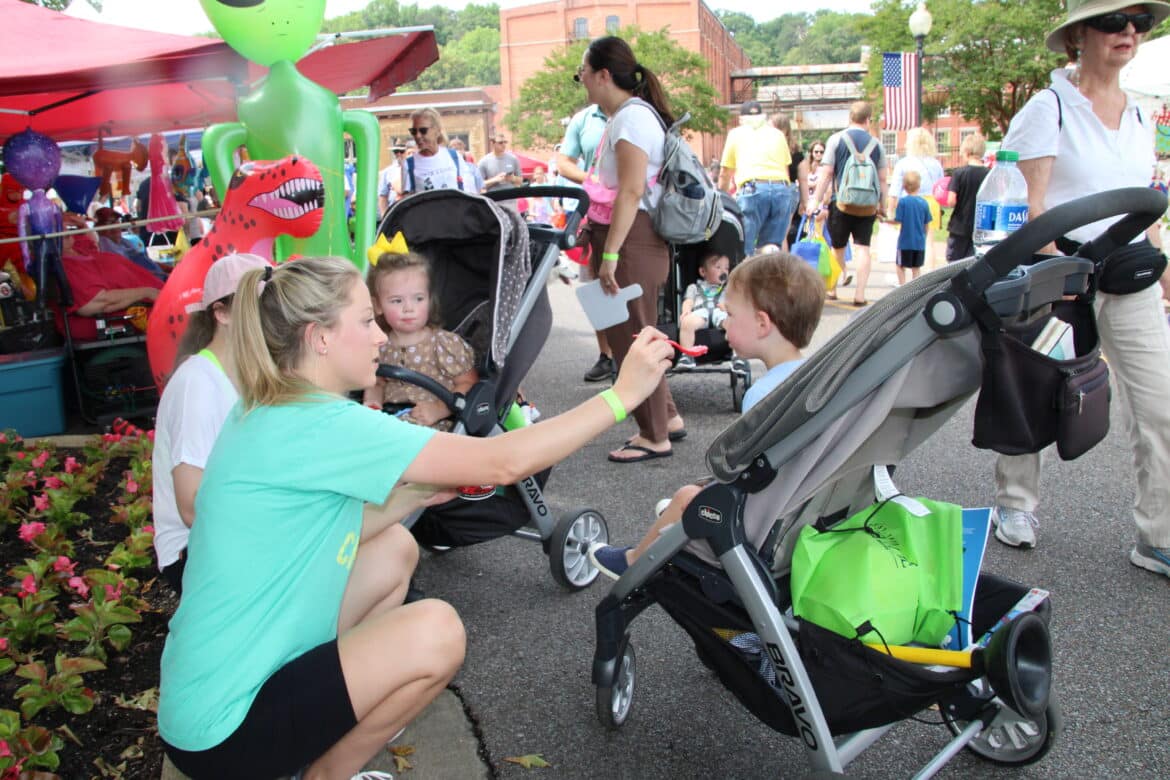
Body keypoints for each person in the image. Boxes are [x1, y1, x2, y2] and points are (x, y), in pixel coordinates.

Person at [157, 254, 674, 779]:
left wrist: (416, 496)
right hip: (227, 733)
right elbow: (504, 461)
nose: (380, 336)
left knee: (395, 549)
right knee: (437, 631)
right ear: (320, 338)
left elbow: (319, 532)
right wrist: (621, 396)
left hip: (200, 701)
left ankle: (321, 733)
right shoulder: (324, 423)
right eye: (366, 320)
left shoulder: (268, 407)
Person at [987, 1, 1170, 580]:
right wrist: (1057, 274)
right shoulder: (1050, 108)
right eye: (1114, 21)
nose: (1129, 31)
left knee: (1161, 403)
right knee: (1035, 385)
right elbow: (1028, 203)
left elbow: (1144, 206)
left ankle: (1159, 535)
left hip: (1129, 274)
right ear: (1079, 36)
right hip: (1062, 271)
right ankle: (1015, 504)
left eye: (1139, 22)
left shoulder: (1140, 113)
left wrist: (1164, 273)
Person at [587, 251, 825, 577]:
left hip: (756, 522)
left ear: (761, 324)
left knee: (688, 496)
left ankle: (632, 563)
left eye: (730, 314)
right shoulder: (815, 377)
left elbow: (739, 471)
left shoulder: (764, 396)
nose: (723, 322)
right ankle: (676, 515)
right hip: (799, 508)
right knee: (688, 498)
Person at [575, 35, 687, 462]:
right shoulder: (632, 116)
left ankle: (653, 434)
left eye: (583, 73)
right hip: (633, 239)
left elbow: (631, 190)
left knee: (634, 340)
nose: (582, 81)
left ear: (603, 75)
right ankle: (666, 418)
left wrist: (609, 255)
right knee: (637, 333)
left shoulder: (630, 119)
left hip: (629, 240)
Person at [151, 253, 272, 594]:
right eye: (257, 305)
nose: (271, 315)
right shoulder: (197, 383)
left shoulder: (247, 374)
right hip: (196, 553)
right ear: (221, 313)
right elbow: (193, 507)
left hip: (233, 536)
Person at [362, 251, 476, 431]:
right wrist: (372, 403)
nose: (409, 308)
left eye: (418, 299)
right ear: (377, 306)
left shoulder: (443, 344)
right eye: (397, 301)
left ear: (429, 300)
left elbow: (469, 383)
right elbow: (378, 382)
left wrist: (440, 409)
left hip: (434, 424)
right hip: (392, 422)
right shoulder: (380, 344)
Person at [556, 102, 615, 383]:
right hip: (598, 212)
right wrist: (591, 180)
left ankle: (635, 354)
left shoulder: (638, 109)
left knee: (635, 285)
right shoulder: (584, 119)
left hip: (638, 211)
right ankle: (606, 355)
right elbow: (564, 162)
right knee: (597, 287)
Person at [808, 101, 888, 307]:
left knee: (838, 248)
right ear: (868, 120)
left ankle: (833, 289)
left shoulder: (836, 140)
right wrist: (883, 205)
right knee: (863, 248)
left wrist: (815, 200)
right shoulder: (876, 144)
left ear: (850, 117)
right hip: (867, 205)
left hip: (841, 202)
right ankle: (860, 294)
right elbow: (882, 179)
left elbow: (827, 173)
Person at [55, 213, 164, 341]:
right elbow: (96, 303)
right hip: (134, 310)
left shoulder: (77, 249)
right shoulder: (66, 265)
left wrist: (82, 225)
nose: (63, 228)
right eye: (55, 226)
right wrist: (147, 292)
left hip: (156, 293)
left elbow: (92, 240)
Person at [718, 101, 794, 256]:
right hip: (781, 189)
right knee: (771, 248)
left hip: (753, 189)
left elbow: (725, 172)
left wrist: (722, 198)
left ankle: (745, 268)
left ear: (741, 119)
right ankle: (770, 264)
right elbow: (785, 170)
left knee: (744, 245)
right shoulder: (778, 135)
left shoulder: (736, 134)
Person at [888, 127, 945, 269]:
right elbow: (941, 187)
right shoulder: (936, 164)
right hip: (931, 202)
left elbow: (894, 190)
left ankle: (903, 271)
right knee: (929, 241)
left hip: (909, 203)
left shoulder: (904, 163)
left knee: (904, 238)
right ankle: (930, 272)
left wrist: (890, 210)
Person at [401, 108, 476, 196]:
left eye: (423, 130)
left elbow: (470, 192)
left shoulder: (454, 157)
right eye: (414, 131)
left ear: (437, 130)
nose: (417, 136)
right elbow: (407, 200)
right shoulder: (409, 165)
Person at [675, 252, 729, 370]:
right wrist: (686, 311)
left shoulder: (727, 289)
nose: (723, 271)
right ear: (703, 272)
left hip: (720, 312)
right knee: (687, 322)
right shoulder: (694, 287)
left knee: (734, 324)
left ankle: (737, 354)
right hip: (700, 312)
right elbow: (689, 301)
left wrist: (728, 308)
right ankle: (687, 354)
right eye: (718, 267)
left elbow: (733, 304)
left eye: (726, 268)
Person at [943, 132, 990, 262]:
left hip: (959, 225)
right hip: (981, 226)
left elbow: (951, 201)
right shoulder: (989, 174)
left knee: (954, 262)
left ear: (967, 152)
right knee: (974, 261)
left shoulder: (959, 173)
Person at [772, 113, 808, 251]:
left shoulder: (768, 149)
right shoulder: (796, 152)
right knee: (782, 236)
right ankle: (784, 263)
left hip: (769, 187)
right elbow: (803, 179)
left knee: (769, 235)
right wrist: (804, 202)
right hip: (790, 191)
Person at [891, 169, 932, 285]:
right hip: (919, 242)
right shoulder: (924, 203)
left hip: (905, 242)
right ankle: (915, 287)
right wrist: (924, 236)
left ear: (904, 186)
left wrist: (886, 220)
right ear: (919, 186)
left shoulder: (903, 202)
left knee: (900, 265)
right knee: (916, 268)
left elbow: (898, 220)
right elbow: (926, 224)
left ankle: (902, 285)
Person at [377, 144, 406, 214]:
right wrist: (384, 215)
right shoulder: (388, 172)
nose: (398, 154)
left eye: (402, 151)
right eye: (395, 152)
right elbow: (383, 195)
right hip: (394, 209)